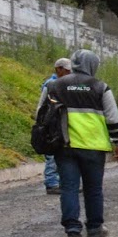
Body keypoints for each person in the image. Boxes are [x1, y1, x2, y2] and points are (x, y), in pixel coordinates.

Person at [38, 49, 118, 237]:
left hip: (65, 146)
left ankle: (72, 230)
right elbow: (113, 118)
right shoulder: (100, 87)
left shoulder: (53, 85)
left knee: (69, 187)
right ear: (93, 65)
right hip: (94, 148)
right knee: (93, 189)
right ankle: (95, 229)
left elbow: (41, 113)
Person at [39, 57, 72, 196]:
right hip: (51, 123)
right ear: (58, 69)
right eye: (66, 70)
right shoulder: (51, 84)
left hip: (59, 122)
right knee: (52, 155)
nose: (69, 73)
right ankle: (52, 183)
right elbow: (42, 105)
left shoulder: (62, 83)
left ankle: (59, 182)